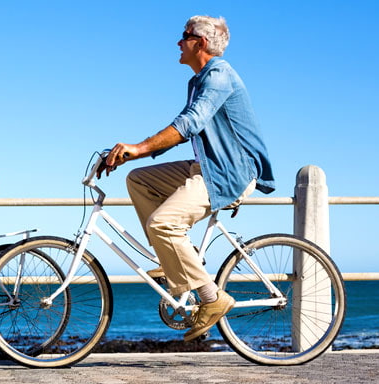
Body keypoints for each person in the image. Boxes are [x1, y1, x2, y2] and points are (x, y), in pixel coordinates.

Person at [101, 15, 275, 341]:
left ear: (201, 42)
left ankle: (212, 298)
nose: (178, 42)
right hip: (208, 166)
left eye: (184, 36)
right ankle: (178, 260)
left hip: (229, 172)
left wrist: (137, 147)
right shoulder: (197, 81)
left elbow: (189, 124)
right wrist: (131, 157)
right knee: (139, 180)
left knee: (162, 224)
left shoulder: (220, 75)